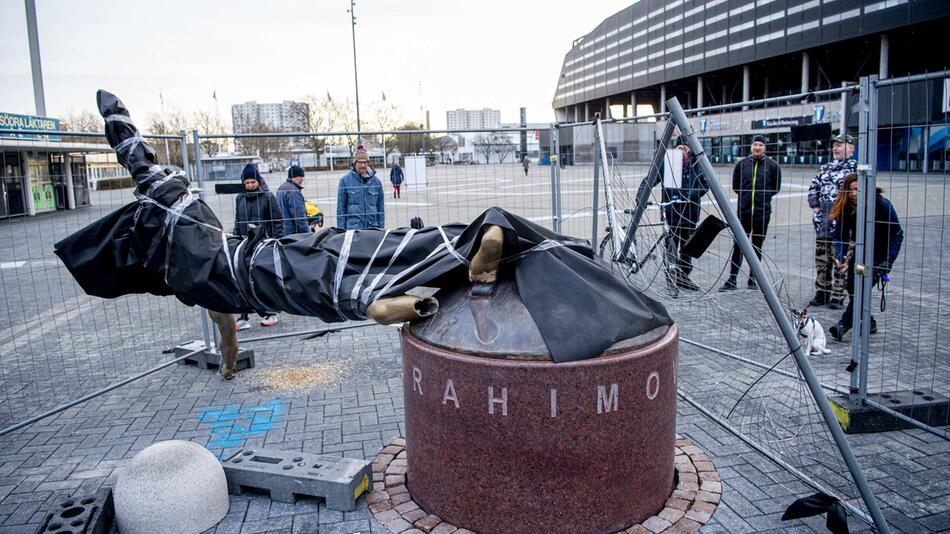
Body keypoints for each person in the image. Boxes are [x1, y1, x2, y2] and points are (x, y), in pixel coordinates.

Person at [828, 174, 903, 341]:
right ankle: (869, 321)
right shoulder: (846, 208)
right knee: (853, 287)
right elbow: (840, 236)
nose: (854, 193)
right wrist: (841, 257)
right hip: (860, 257)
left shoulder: (882, 204)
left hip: (879, 259)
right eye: (850, 190)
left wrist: (888, 261)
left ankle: (844, 325)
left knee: (862, 288)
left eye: (857, 189)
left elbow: (898, 235)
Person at [636, 137, 709, 290]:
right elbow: (650, 179)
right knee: (670, 246)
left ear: (690, 149)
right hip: (671, 214)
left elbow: (706, 184)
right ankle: (670, 276)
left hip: (690, 213)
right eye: (678, 148)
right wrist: (640, 198)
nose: (681, 152)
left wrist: (691, 195)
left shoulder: (698, 164)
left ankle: (683, 277)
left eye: (684, 148)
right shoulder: (669, 163)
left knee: (687, 247)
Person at [720, 134, 782, 291]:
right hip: (744, 212)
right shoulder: (742, 165)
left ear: (765, 148)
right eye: (755, 145)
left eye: (761, 145)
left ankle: (753, 278)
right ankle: (732, 278)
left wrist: (762, 198)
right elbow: (736, 186)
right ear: (751, 147)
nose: (757, 148)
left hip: (762, 213)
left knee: (757, 246)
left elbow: (775, 188)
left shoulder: (773, 166)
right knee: (739, 245)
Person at [807, 133, 856, 309]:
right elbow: (814, 187)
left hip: (843, 226)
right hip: (823, 223)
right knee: (822, 260)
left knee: (841, 261)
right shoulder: (825, 168)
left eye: (840, 145)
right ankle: (822, 292)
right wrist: (815, 205)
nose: (835, 148)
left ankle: (838, 295)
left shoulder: (855, 170)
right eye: (834, 145)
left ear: (851, 148)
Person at [233, 164, 283, 329]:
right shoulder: (240, 198)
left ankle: (271, 312)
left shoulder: (268, 197)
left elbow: (277, 220)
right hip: (244, 243)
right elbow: (237, 220)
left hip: (263, 244)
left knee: (263, 279)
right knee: (240, 278)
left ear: (258, 181)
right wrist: (235, 237)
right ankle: (243, 316)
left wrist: (275, 240)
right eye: (246, 183)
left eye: (252, 182)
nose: (249, 186)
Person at [336, 144, 385, 230]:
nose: (363, 165)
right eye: (360, 162)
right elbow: (341, 210)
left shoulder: (377, 182)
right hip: (354, 231)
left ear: (368, 163)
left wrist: (381, 230)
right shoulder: (345, 181)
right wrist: (341, 232)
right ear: (355, 163)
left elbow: (380, 209)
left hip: (372, 230)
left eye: (365, 162)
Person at [278, 165, 309, 236]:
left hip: (283, 229)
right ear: (294, 177)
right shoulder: (293, 190)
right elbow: (298, 214)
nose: (302, 179)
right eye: (300, 177)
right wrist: (306, 232)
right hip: (293, 232)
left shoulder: (281, 188)